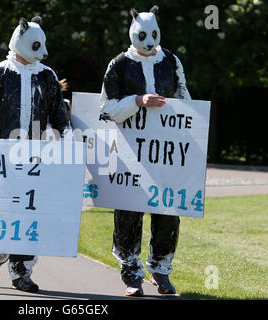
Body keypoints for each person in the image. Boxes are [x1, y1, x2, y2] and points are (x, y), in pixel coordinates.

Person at [0, 16, 70, 292]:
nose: (43, 52)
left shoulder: (47, 76)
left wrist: (65, 142)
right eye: (37, 45)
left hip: (36, 159)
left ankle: (21, 271)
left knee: (30, 213)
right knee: (3, 211)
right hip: (2, 158)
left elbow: (60, 116)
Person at [100, 5, 191, 297]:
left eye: (153, 35)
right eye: (143, 35)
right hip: (128, 154)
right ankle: (131, 270)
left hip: (165, 155)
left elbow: (185, 103)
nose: (149, 42)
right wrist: (137, 100)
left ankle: (161, 270)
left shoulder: (172, 62)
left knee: (167, 210)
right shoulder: (119, 64)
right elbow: (107, 109)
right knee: (128, 211)